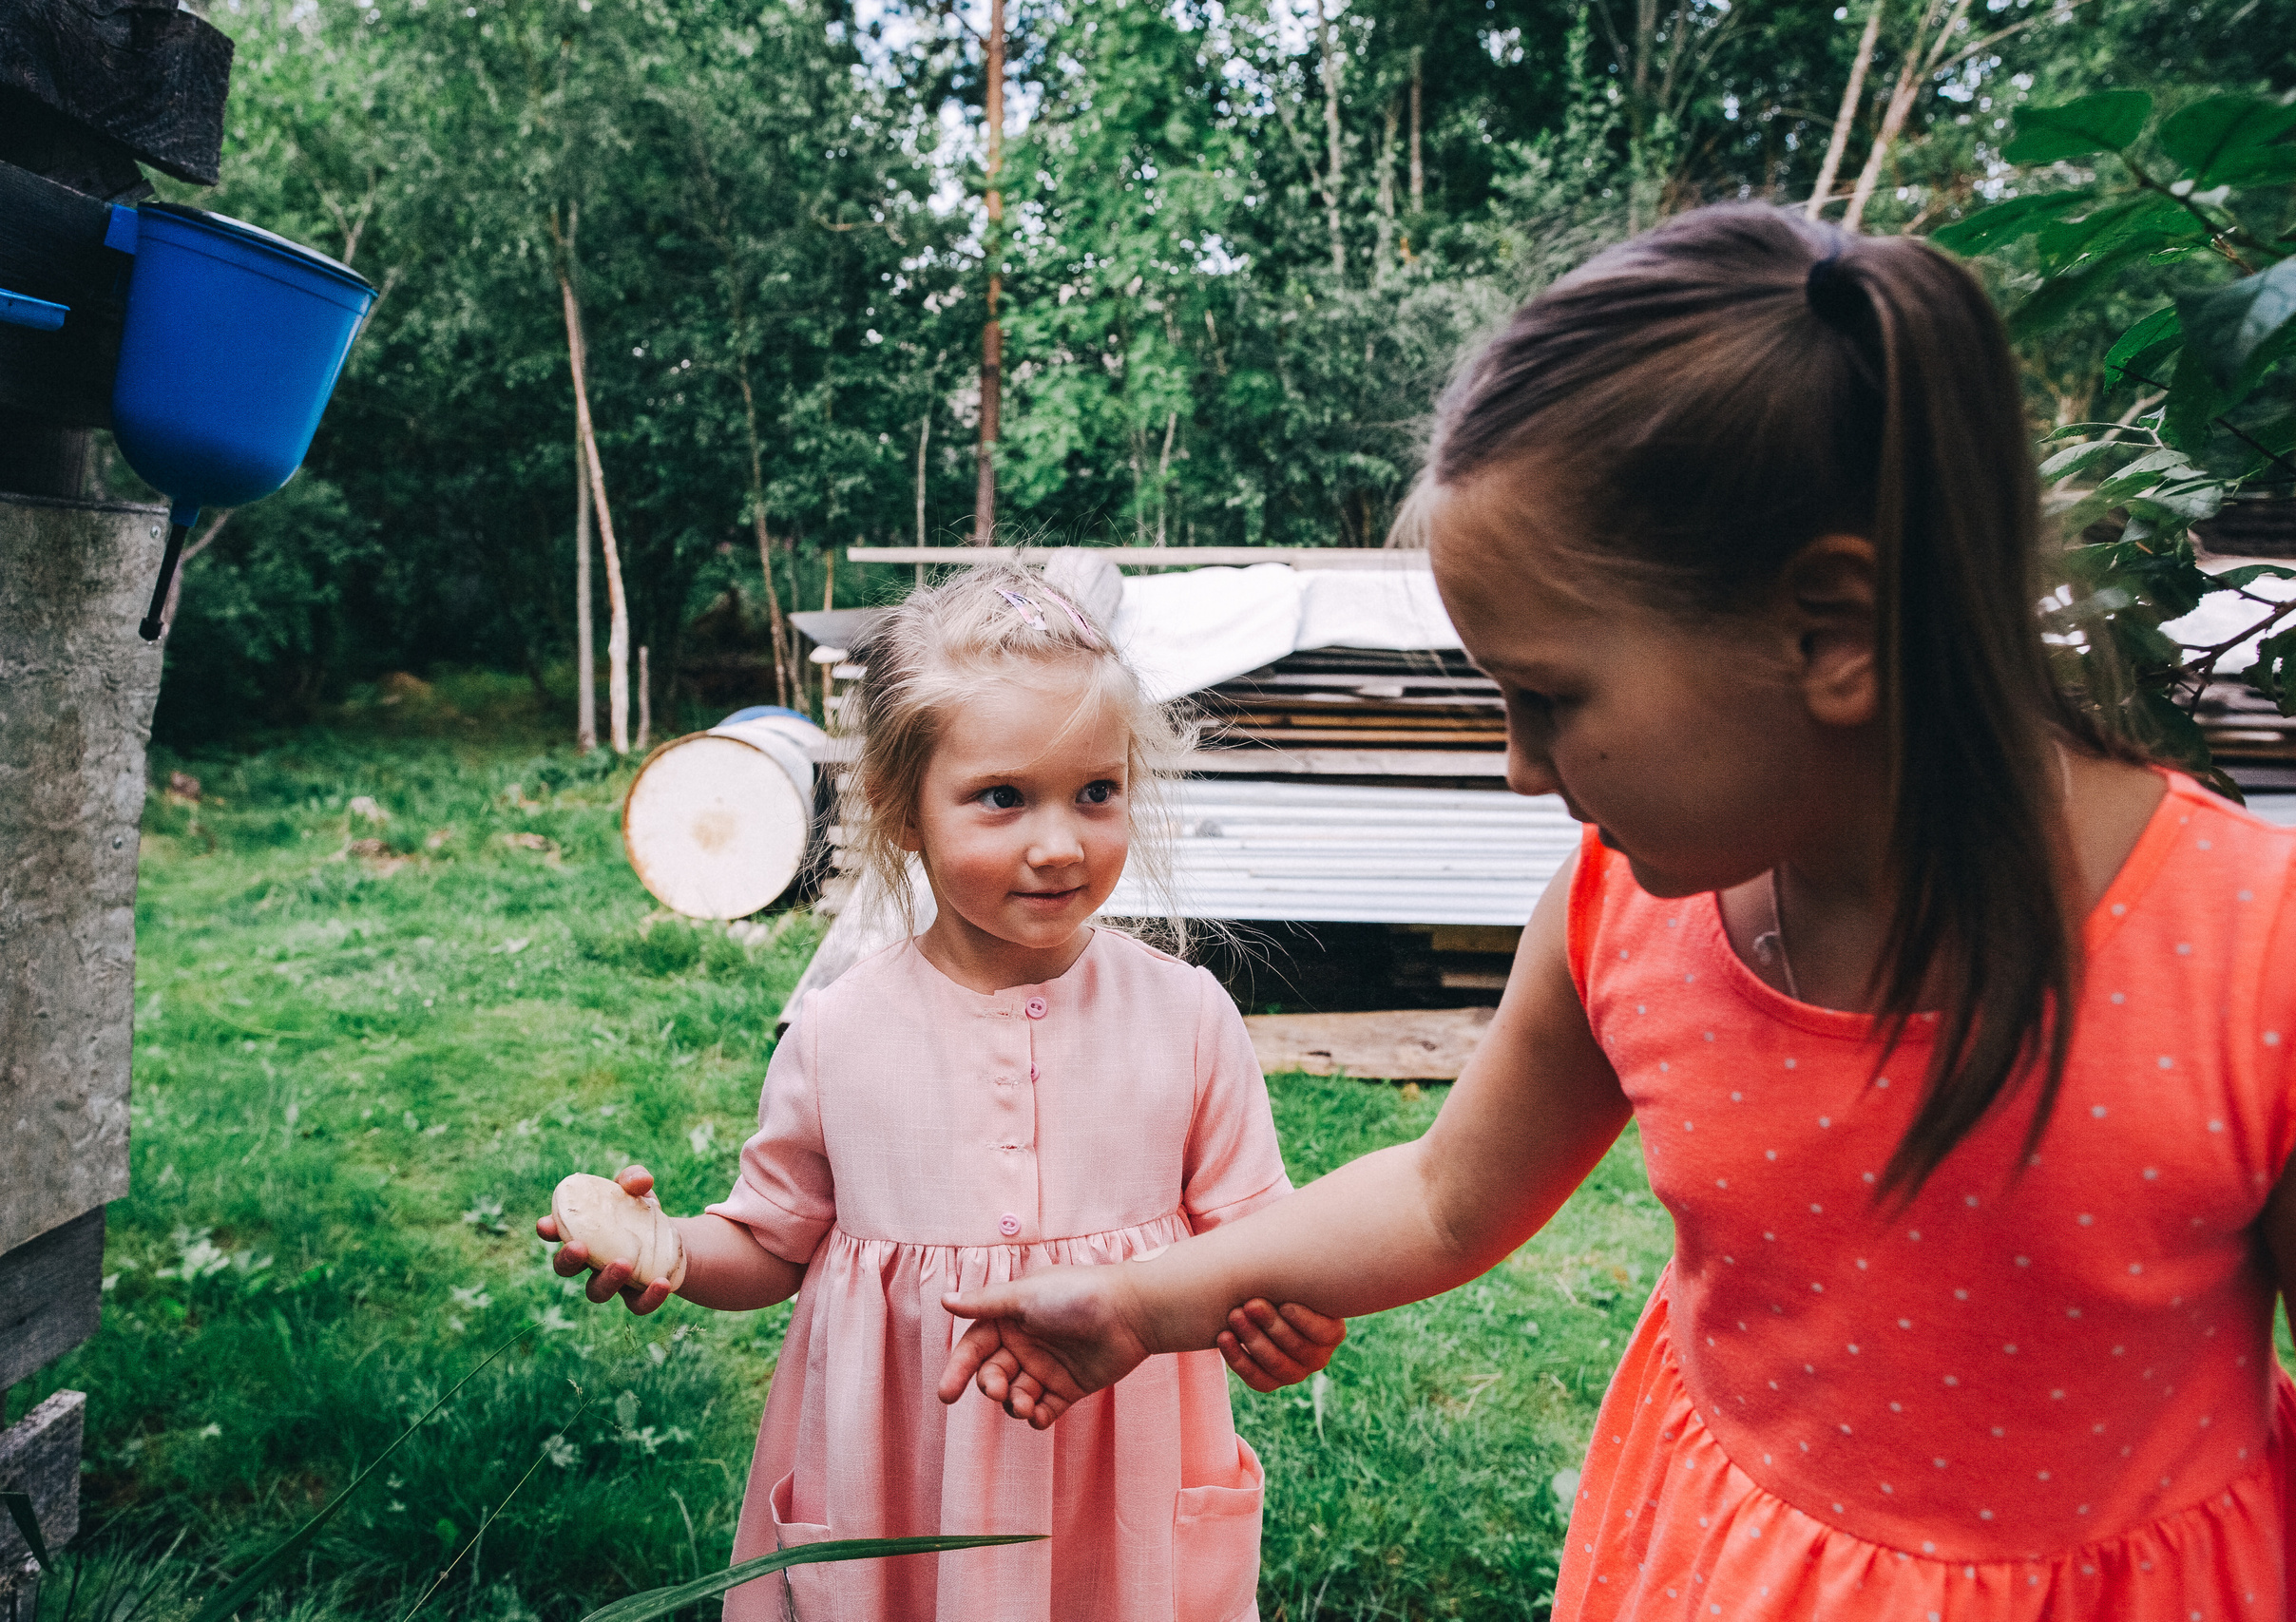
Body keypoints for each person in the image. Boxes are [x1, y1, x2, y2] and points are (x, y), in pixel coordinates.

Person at [936, 203, 2296, 1618]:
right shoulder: (1623, 917)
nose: (1524, 768)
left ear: (1828, 629)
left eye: (1551, 698)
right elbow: (1447, 1190)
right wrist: (1149, 1298)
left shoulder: (2255, 963)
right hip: (1714, 1567)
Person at [539, 564, 1347, 1622]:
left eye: (1095, 792)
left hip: (1123, 1488)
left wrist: (1285, 1324)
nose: (1059, 842)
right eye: (1003, 798)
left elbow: (1262, 1253)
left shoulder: (1187, 1019)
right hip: (898, 1489)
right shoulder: (836, 1036)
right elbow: (774, 1246)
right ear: (902, 809)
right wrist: (675, 1250)